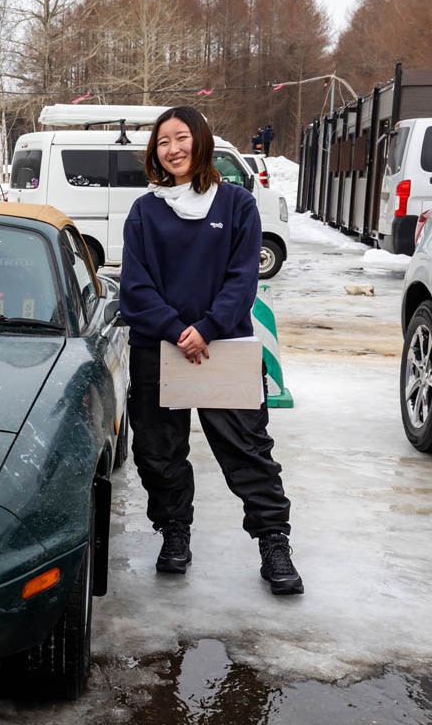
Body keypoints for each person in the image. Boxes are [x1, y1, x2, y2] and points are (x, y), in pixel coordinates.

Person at [119, 105, 302, 596]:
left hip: (225, 347)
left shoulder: (237, 204)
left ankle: (274, 542)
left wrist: (207, 328)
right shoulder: (145, 211)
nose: (172, 149)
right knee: (158, 452)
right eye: (163, 142)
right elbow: (134, 286)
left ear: (201, 141)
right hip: (159, 349)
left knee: (247, 450)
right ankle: (174, 533)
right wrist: (177, 329)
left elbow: (243, 279)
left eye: (181, 138)